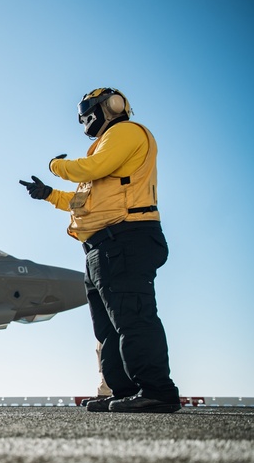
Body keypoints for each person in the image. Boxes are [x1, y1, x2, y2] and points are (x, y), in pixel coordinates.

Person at [19, 87, 180, 413]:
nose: (82, 119)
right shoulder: (104, 154)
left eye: (85, 112)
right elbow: (82, 201)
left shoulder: (125, 133)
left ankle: (157, 391)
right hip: (101, 246)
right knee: (107, 328)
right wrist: (49, 194)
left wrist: (56, 166)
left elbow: (91, 168)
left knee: (132, 318)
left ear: (108, 107)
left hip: (126, 237)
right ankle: (125, 390)